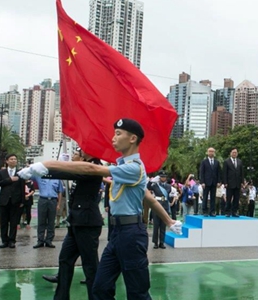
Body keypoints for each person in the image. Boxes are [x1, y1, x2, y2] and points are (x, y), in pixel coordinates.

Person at [19, 118, 181, 299]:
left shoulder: (134, 169)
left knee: (137, 292)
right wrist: (169, 220)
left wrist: (46, 165)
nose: (113, 138)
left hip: (131, 234)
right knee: (100, 288)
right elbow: (148, 197)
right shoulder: (124, 167)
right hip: (117, 233)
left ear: (133, 138)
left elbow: (90, 168)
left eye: (118, 134)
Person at [40, 148, 104, 299]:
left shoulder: (94, 167)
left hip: (87, 223)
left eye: (80, 151)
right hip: (76, 221)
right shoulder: (83, 166)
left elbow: (69, 173)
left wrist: (45, 170)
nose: (77, 153)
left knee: (90, 266)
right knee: (65, 260)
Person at [0, 154, 25, 249]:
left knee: (14, 222)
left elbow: (22, 187)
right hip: (4, 200)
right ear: (7, 161)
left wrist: (22, 200)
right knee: (4, 221)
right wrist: (9, 180)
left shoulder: (20, 173)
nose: (14, 160)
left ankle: (12, 240)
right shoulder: (1, 172)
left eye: (15, 159)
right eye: (11, 159)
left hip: (16, 200)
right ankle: (4, 240)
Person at [32, 176, 64, 248]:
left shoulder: (57, 179)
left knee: (51, 221)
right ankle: (40, 240)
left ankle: (49, 240)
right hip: (43, 200)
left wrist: (58, 204)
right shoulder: (40, 177)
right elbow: (30, 176)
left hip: (53, 200)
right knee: (41, 221)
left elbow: (60, 192)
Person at [148, 170, 174, 249]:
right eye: (162, 177)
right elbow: (147, 187)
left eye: (164, 177)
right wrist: (151, 181)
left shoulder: (169, 186)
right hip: (157, 206)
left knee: (163, 225)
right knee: (156, 225)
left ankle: (162, 242)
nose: (163, 178)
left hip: (165, 206)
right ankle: (155, 242)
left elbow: (167, 195)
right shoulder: (155, 185)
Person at [199, 148, 221, 217]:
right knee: (205, 197)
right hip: (206, 182)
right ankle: (205, 211)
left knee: (213, 197)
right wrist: (202, 182)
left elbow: (219, 173)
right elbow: (201, 172)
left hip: (214, 182)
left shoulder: (217, 162)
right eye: (210, 151)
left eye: (212, 152)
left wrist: (219, 181)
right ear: (207, 152)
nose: (211, 153)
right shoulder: (204, 162)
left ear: (214, 153)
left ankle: (212, 211)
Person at [223, 148, 244, 217]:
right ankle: (227, 211)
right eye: (233, 152)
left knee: (236, 198)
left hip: (237, 183)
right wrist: (225, 182)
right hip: (229, 183)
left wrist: (242, 182)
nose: (234, 154)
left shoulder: (239, 161)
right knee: (229, 198)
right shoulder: (226, 161)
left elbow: (241, 173)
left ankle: (234, 211)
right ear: (230, 153)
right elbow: (225, 173)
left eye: (235, 152)